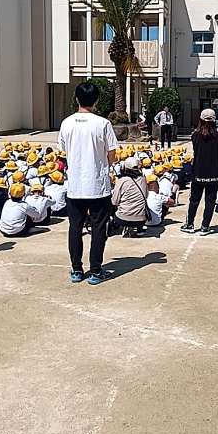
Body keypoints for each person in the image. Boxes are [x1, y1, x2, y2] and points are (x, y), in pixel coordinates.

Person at [58, 82, 118, 284]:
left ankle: (76, 269)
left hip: (75, 185)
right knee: (98, 228)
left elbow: (63, 151)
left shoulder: (66, 123)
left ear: (76, 98)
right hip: (97, 185)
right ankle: (95, 271)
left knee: (75, 228)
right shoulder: (103, 124)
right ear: (97, 100)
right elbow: (112, 154)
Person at [181, 109, 218, 235]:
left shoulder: (195, 135)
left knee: (194, 200)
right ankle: (205, 226)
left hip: (198, 171)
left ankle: (190, 224)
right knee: (210, 201)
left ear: (200, 119)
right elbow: (217, 151)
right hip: (214, 172)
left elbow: (196, 150)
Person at [111, 156, 148, 236]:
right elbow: (146, 195)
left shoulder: (122, 181)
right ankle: (139, 229)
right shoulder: (143, 179)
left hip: (122, 218)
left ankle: (114, 226)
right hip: (141, 219)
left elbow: (114, 201)